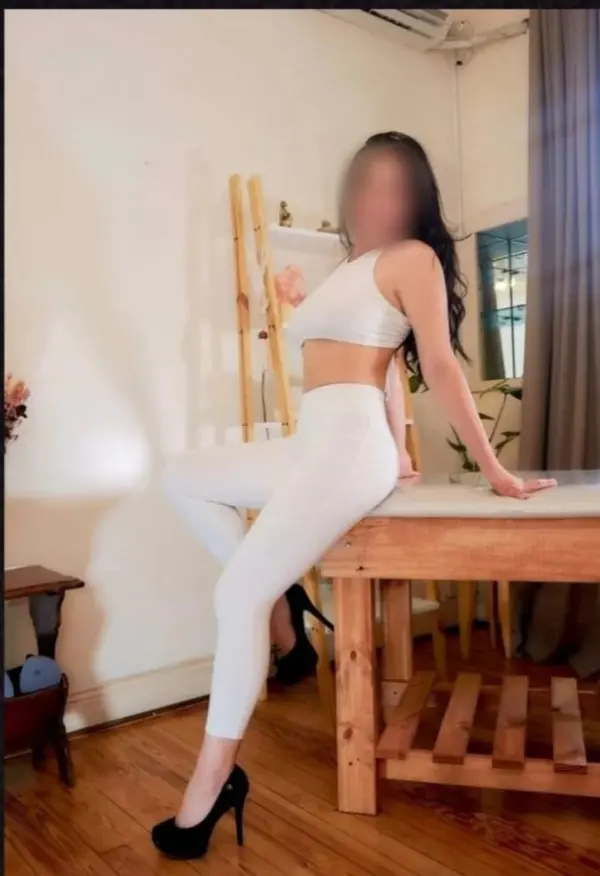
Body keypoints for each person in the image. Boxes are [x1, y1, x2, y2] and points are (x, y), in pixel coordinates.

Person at [152, 131, 556, 861]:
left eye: (392, 186)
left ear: (415, 198)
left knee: (235, 596)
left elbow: (432, 363)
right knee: (180, 474)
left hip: (347, 448)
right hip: (312, 440)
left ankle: (210, 786)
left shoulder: (415, 258)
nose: (375, 197)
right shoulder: (349, 267)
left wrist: (493, 470)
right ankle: (283, 610)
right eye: (365, 183)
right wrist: (295, 303)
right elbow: (383, 360)